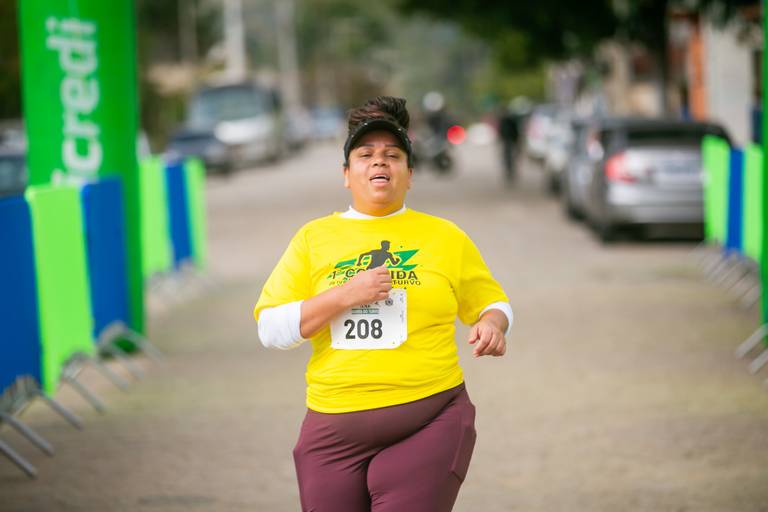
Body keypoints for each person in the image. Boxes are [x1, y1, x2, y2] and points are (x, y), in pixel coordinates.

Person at [253, 96, 513, 512]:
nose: (380, 162)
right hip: (332, 426)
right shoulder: (313, 238)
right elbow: (270, 330)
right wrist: (345, 295)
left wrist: (493, 323)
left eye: (393, 155)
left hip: (430, 415)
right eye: (365, 155)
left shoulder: (445, 237)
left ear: (410, 174)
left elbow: (492, 302)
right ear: (346, 174)